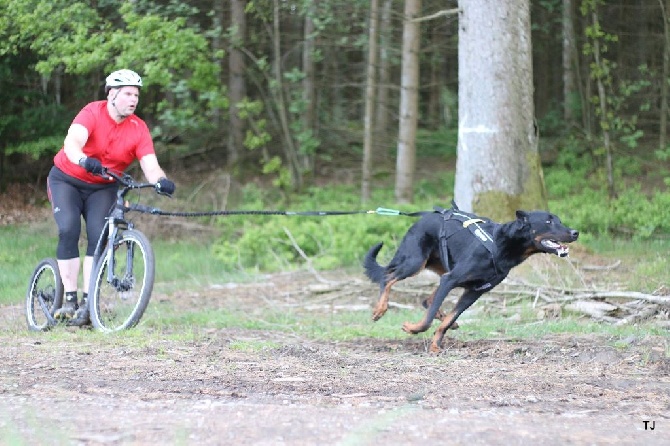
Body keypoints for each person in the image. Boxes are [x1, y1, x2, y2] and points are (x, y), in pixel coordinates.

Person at [47, 69, 176, 326]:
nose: (133, 99)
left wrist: (161, 181)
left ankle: (87, 302)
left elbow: (150, 165)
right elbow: (72, 142)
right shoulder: (92, 112)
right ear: (112, 95)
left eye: (136, 95)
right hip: (67, 179)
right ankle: (69, 299)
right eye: (128, 93)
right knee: (69, 229)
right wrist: (84, 160)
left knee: (99, 238)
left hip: (103, 188)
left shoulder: (138, 128)